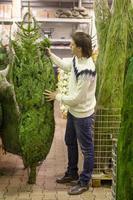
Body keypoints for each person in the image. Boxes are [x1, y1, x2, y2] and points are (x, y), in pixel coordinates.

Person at [44, 31, 97, 195]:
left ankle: (84, 181)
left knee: (87, 149)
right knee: (70, 141)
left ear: (80, 48)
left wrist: (57, 96)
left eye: (72, 44)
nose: (69, 46)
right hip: (74, 113)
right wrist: (50, 54)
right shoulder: (77, 60)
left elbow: (76, 98)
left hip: (83, 114)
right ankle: (72, 172)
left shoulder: (87, 70)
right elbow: (66, 66)